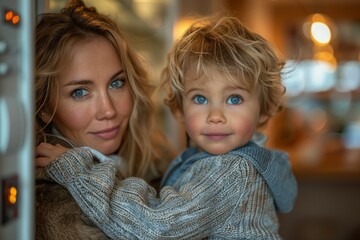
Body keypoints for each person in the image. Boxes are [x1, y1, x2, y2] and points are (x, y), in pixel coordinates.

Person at [37, 14, 297, 239]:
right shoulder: (51, 202)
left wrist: (78, 170)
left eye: (234, 99)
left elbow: (159, 227)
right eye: (80, 92)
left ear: (265, 110)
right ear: (180, 110)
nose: (215, 116)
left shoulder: (231, 170)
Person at [34, 0, 173, 239]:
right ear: (45, 108)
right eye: (80, 92)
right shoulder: (55, 204)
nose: (108, 110)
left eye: (116, 83)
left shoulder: (156, 162)